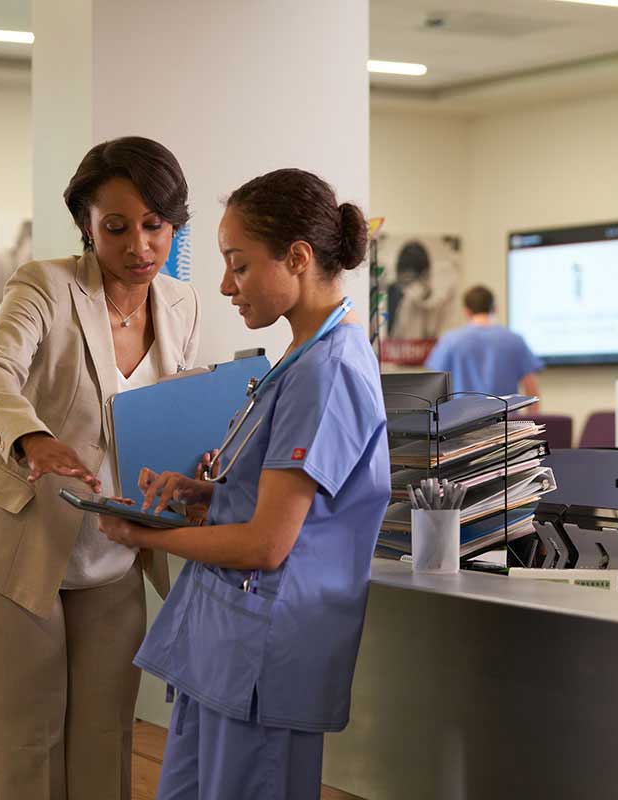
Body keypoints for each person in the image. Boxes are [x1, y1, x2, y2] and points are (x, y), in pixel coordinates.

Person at [0, 136, 201, 800]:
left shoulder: (183, 304)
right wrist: (33, 438)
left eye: (154, 225)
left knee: (106, 739)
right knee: (28, 738)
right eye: (117, 227)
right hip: (13, 544)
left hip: (112, 552)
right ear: (85, 225)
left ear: (173, 225)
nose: (139, 246)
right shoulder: (46, 285)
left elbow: (172, 411)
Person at [97, 168, 391, 799]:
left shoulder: (329, 371)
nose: (226, 287)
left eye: (239, 266)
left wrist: (141, 534)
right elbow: (274, 502)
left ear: (299, 257)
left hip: (266, 654)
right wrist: (205, 495)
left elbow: (266, 545)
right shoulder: (299, 359)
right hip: (226, 647)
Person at [426, 284, 543, 404]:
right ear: (495, 308)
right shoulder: (515, 340)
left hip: (463, 420)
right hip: (507, 420)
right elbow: (532, 390)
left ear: (466, 312)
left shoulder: (450, 341)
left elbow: (434, 387)